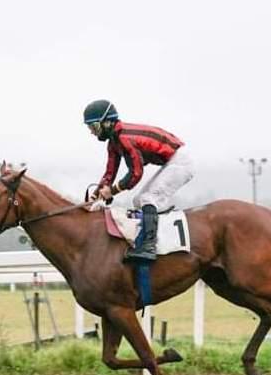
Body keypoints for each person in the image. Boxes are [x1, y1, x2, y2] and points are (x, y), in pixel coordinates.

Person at [83, 99, 195, 261]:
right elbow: (110, 172)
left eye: (94, 127)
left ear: (107, 122)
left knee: (147, 198)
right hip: (173, 159)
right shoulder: (114, 142)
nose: (92, 132)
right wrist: (96, 195)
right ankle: (150, 240)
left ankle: (149, 246)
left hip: (181, 160)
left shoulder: (124, 138)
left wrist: (112, 191)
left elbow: (136, 173)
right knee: (138, 200)